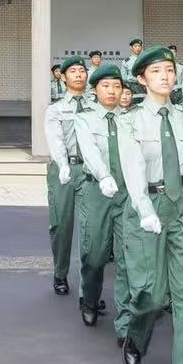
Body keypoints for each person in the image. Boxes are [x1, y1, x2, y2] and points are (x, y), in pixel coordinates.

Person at [114, 48, 183, 364]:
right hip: (147, 207)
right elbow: (133, 168)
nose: (165, 77)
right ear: (142, 78)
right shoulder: (131, 120)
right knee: (150, 296)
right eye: (156, 71)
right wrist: (144, 208)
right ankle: (137, 335)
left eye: (170, 70)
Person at [71, 63, 133, 329]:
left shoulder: (131, 119)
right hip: (96, 190)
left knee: (127, 257)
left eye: (117, 86)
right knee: (94, 255)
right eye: (106, 86)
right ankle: (90, 298)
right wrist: (104, 176)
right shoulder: (84, 118)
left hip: (127, 192)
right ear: (95, 90)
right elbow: (90, 151)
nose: (112, 91)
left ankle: (125, 321)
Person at [45, 56, 92, 297]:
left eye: (82, 70)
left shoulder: (96, 105)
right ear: (63, 77)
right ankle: (60, 272)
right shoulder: (56, 109)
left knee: (91, 228)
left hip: (90, 171)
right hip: (64, 170)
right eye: (72, 71)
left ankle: (89, 286)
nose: (78, 74)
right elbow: (55, 140)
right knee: (62, 225)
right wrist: (63, 165)